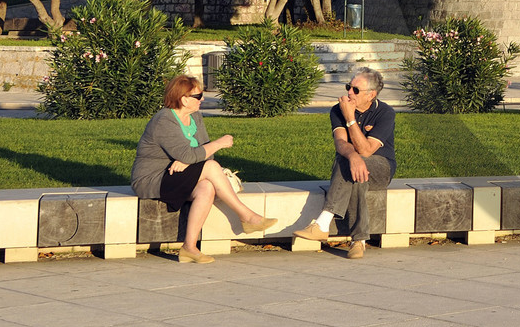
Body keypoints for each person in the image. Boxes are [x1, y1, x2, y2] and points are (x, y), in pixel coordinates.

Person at [130, 75, 280, 263]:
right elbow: (201, 154)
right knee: (210, 167)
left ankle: (189, 248)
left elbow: (205, 155)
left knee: (207, 187)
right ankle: (246, 216)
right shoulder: (164, 120)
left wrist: (188, 161)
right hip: (153, 178)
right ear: (184, 99)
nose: (203, 99)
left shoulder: (195, 117)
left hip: (177, 174)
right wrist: (218, 143)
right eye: (198, 96)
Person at [293, 71, 395, 259]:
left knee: (352, 162)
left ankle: (322, 223)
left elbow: (366, 150)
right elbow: (340, 143)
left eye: (356, 90)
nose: (349, 93)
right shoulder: (337, 109)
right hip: (354, 168)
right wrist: (353, 158)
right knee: (351, 168)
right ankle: (358, 241)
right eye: (348, 87)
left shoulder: (385, 113)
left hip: (381, 168)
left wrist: (350, 118)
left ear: (371, 95)